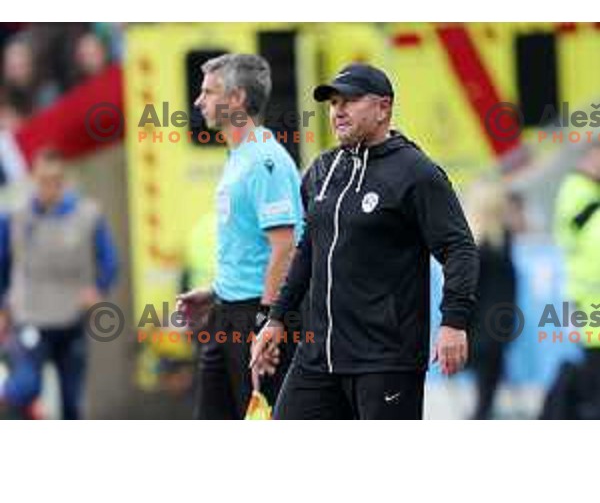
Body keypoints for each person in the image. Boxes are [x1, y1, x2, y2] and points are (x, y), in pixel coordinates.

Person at [251, 63, 480, 420]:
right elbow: (307, 251)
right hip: (318, 358)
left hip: (385, 359)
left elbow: (459, 249)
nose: (338, 111)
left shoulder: (416, 172)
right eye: (333, 103)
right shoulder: (322, 170)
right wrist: (277, 318)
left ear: (383, 108)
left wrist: (454, 322)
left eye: (350, 100)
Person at [176, 54, 303, 420]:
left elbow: (285, 248)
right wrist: (216, 291)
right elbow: (250, 247)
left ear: (237, 99)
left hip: (254, 318)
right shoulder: (238, 157)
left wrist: (266, 321)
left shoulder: (266, 160)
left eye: (209, 92)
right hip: (226, 313)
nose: (199, 101)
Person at [0, 148, 118, 419]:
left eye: (54, 180)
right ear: (33, 178)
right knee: (25, 387)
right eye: (42, 180)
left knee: (71, 400)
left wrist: (99, 289)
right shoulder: (15, 217)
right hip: (29, 315)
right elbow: (2, 263)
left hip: (70, 317)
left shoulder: (88, 215)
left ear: (63, 181)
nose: (47, 187)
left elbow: (109, 259)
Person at [542, 145, 600, 418]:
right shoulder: (578, 190)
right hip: (589, 303)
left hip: (587, 300)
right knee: (593, 379)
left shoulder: (585, 191)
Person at [467, 181, 517, 419]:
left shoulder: (496, 240)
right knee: (486, 395)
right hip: (487, 326)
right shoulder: (488, 244)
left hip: (488, 324)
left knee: (486, 393)